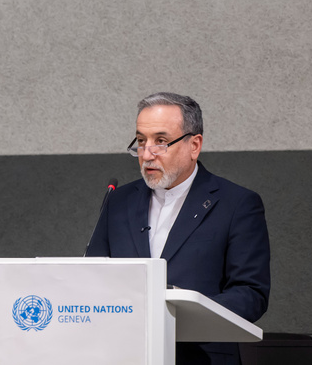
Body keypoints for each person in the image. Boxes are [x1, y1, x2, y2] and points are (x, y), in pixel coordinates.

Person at [86, 92, 270, 365]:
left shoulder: (237, 204)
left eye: (160, 142)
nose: (147, 154)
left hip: (199, 356)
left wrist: (178, 311)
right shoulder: (119, 201)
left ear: (194, 145)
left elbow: (251, 293)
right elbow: (93, 277)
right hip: (124, 354)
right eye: (140, 141)